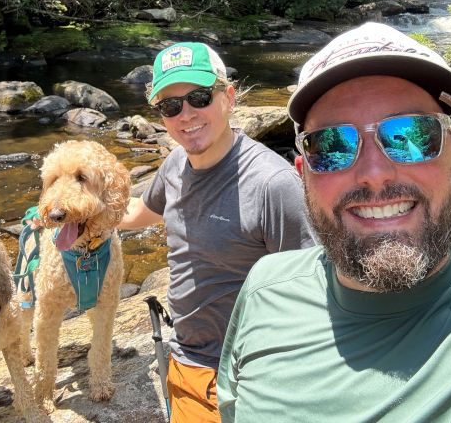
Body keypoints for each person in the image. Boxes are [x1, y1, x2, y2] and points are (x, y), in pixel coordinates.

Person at [217, 22, 451, 422]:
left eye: (412, 134)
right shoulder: (265, 287)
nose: (375, 173)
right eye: (332, 145)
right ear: (303, 174)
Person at [119, 41, 315, 423]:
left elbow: (313, 292)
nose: (186, 114)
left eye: (199, 97)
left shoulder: (273, 184)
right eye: (171, 106)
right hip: (186, 360)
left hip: (246, 375)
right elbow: (143, 211)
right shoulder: (175, 164)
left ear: (229, 97)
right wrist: (81, 216)